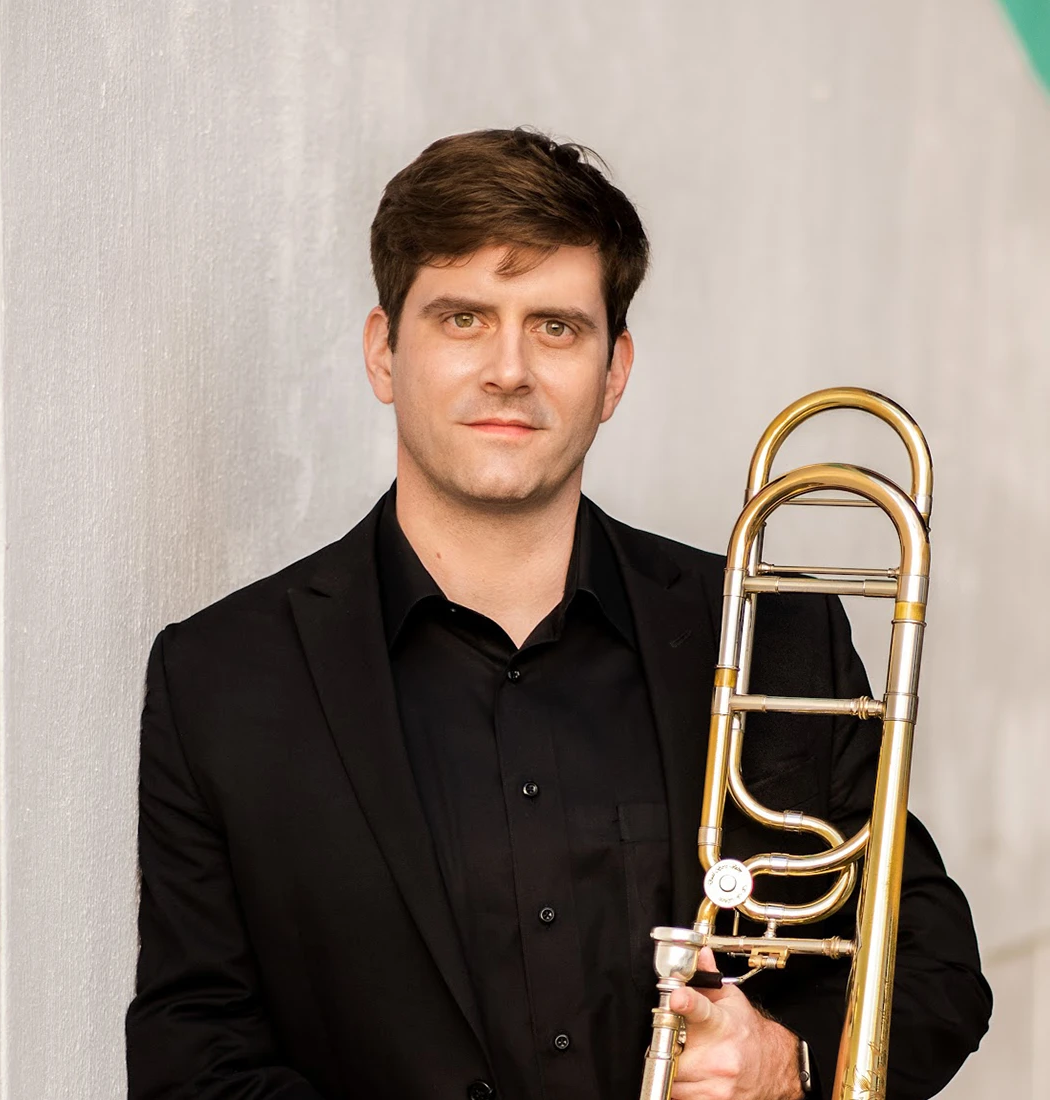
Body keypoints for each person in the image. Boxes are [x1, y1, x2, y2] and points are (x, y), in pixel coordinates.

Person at [126, 128, 991, 1100]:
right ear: (383, 351)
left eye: (554, 326)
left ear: (613, 371)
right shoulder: (222, 679)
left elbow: (932, 963)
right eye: (461, 318)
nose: (507, 369)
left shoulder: (779, 639)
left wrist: (787, 1059)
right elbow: (190, 1050)